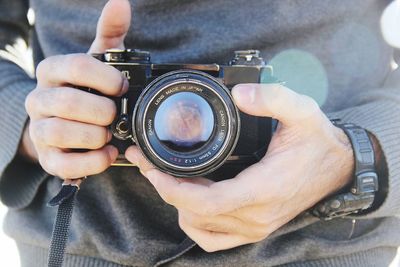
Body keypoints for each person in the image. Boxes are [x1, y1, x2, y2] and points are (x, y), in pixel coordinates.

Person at [0, 0, 399, 266]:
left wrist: (355, 156)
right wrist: (31, 124)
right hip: (79, 239)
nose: (185, 120)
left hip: (329, 244)